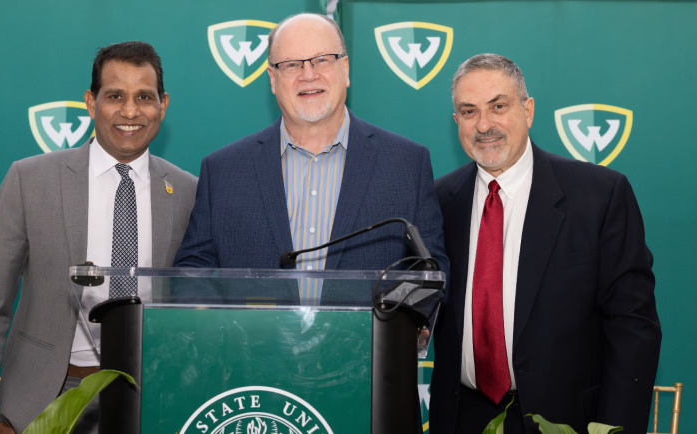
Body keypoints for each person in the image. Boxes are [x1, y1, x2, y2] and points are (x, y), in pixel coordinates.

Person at [0, 41, 197, 433]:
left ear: (163, 105)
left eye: (144, 97)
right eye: (114, 96)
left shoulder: (189, 192)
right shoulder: (29, 180)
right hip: (48, 398)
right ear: (91, 102)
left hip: (154, 397)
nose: (130, 111)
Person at [429, 53, 661, 433]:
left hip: (567, 420)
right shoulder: (438, 201)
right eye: (468, 112)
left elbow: (633, 329)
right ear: (456, 121)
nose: (484, 124)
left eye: (498, 106)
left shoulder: (599, 196)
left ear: (528, 110)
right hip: (460, 419)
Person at [174, 13, 449, 291]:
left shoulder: (406, 164)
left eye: (321, 60)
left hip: (365, 335)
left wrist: (398, 322)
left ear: (345, 69)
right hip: (255, 336)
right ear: (272, 78)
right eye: (291, 64)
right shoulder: (223, 171)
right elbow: (194, 268)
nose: (308, 75)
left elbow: (429, 268)